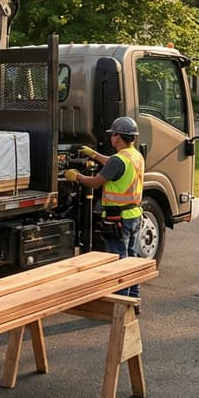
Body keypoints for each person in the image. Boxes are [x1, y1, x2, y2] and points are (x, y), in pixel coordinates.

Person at [64, 116, 145, 299]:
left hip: (118, 218)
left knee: (118, 261)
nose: (111, 137)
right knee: (131, 259)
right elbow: (112, 163)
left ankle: (121, 302)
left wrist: (76, 176)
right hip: (134, 214)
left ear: (118, 137)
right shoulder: (135, 155)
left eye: (112, 134)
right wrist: (93, 154)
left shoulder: (119, 160)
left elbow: (94, 182)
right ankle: (133, 299)